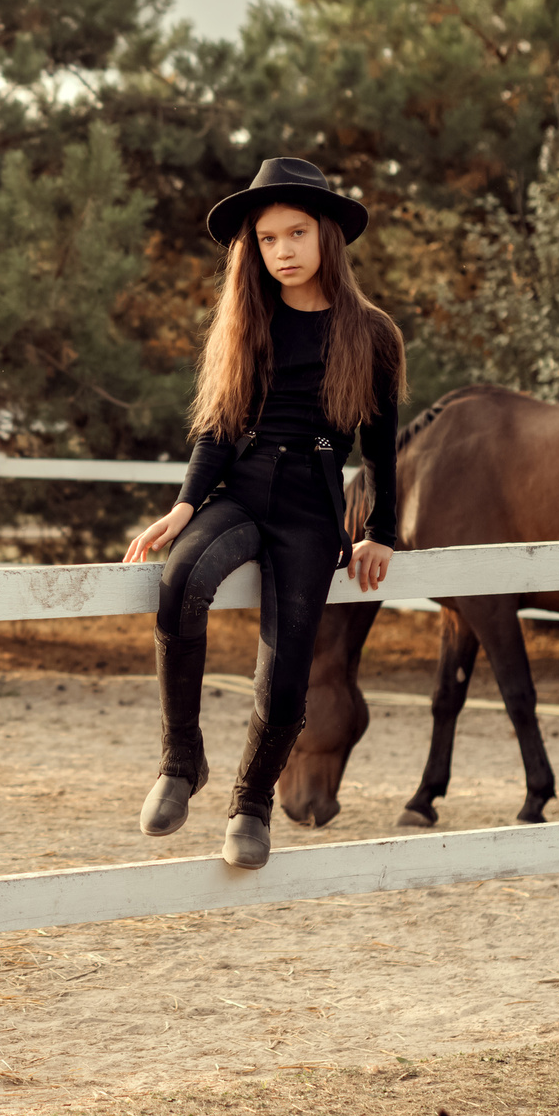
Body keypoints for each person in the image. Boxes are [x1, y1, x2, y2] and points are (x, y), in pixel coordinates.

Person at [123, 157, 407, 868]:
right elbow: (217, 426)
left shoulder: (370, 334)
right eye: (267, 238)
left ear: (326, 237)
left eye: (296, 233)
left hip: (311, 508)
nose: (282, 251)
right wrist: (187, 505)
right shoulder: (247, 317)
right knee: (181, 582)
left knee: (284, 676)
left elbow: (379, 447)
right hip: (241, 490)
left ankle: (251, 802)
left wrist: (381, 531)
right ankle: (180, 762)